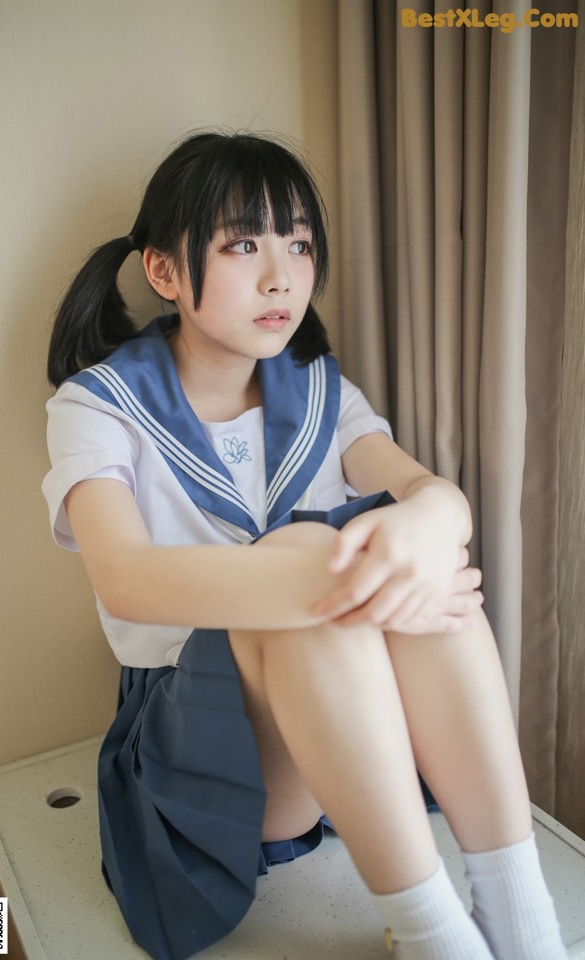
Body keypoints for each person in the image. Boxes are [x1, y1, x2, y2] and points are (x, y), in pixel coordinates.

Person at [43, 131, 568, 960]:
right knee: (318, 552)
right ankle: (437, 938)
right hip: (197, 760)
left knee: (415, 550)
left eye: (298, 243)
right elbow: (127, 581)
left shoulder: (321, 386)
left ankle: (523, 918)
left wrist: (425, 529)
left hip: (351, 740)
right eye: (244, 244)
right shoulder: (98, 404)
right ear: (165, 272)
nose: (282, 274)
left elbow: (435, 495)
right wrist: (348, 580)